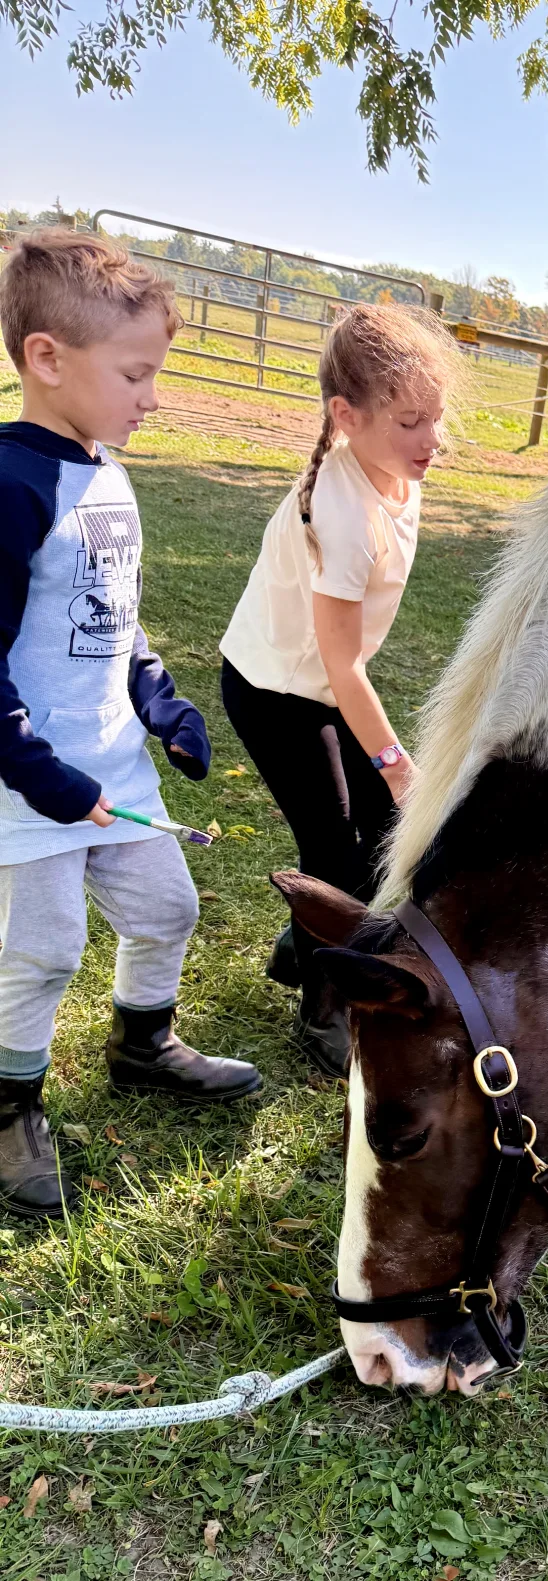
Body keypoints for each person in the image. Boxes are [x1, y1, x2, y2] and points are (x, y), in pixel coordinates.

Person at [0, 230, 263, 1218]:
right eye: (134, 373)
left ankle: (143, 1045)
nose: (152, 396)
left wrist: (160, 697)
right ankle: (10, 1105)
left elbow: (115, 616)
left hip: (114, 768)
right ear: (47, 358)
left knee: (168, 910)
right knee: (45, 950)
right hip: (30, 782)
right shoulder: (11, 486)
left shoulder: (107, 469)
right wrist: (40, 774)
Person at [219, 303, 456, 1076]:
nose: (432, 439)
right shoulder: (343, 512)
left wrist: (394, 782)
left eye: (436, 417)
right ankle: (320, 1009)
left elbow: (345, 669)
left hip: (325, 686)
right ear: (346, 418)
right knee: (336, 850)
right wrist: (397, 764)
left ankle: (300, 946)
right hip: (274, 692)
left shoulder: (395, 471)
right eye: (410, 422)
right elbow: (343, 664)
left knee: (387, 834)